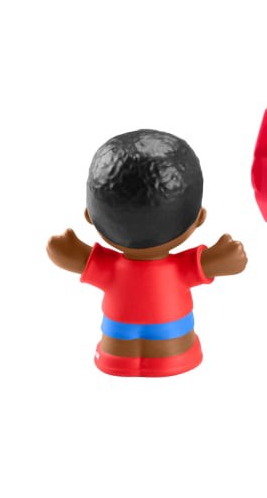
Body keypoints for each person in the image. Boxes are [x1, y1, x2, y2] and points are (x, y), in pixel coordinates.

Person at [47, 129, 247, 376]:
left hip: (116, 345)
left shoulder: (111, 267)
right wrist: (223, 258)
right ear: (199, 218)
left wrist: (66, 250)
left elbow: (73, 258)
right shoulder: (177, 268)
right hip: (174, 347)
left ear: (90, 216)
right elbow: (218, 263)